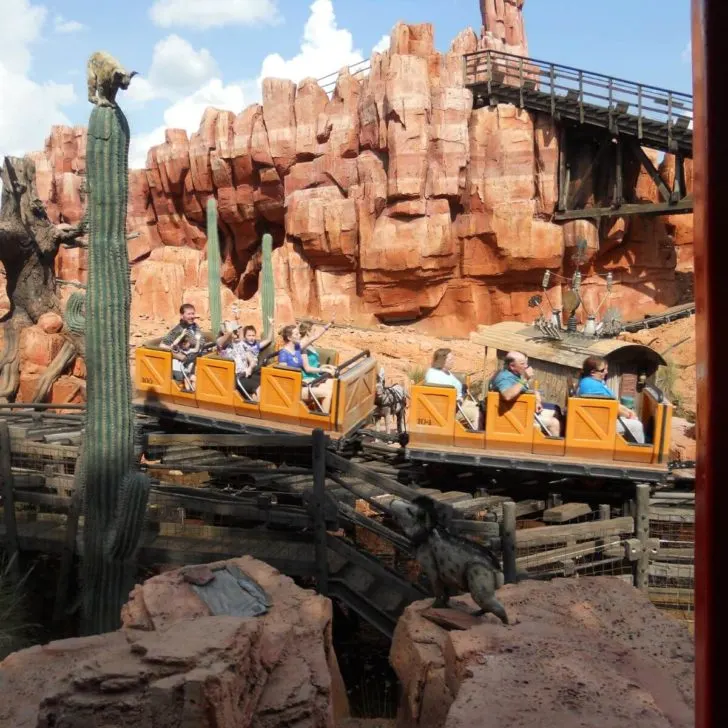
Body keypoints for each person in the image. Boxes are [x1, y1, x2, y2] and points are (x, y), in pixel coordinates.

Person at [490, 351, 561, 437]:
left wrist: (536, 397)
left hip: (522, 412)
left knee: (556, 411)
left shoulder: (515, 374)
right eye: (522, 363)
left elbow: (520, 391)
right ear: (512, 366)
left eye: (526, 363)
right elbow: (507, 395)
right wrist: (525, 379)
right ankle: (552, 449)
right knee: (554, 423)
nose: (526, 366)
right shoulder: (504, 378)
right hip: (514, 417)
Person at [577, 356, 646, 444]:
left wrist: (628, 411)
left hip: (602, 418)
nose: (606, 372)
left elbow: (613, 402)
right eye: (603, 370)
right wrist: (628, 415)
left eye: (606, 369)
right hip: (599, 424)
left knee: (633, 419)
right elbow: (610, 406)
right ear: (593, 372)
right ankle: (639, 452)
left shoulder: (595, 381)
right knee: (636, 425)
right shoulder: (591, 387)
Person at [278, 322, 336, 412]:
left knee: (330, 387)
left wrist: (327, 326)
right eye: (296, 334)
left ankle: (319, 412)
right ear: (289, 338)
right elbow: (284, 375)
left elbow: (313, 337)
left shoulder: (298, 348)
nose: (299, 335)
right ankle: (324, 421)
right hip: (293, 390)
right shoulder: (283, 354)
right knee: (327, 393)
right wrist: (301, 381)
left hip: (302, 384)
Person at [424, 348, 481, 429]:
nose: (453, 361)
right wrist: (457, 400)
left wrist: (461, 389)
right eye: (450, 359)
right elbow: (438, 397)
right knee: (477, 413)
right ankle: (475, 437)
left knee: (482, 408)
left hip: (460, 403)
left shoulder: (445, 371)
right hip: (452, 409)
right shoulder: (434, 376)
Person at [216, 321, 262, 399]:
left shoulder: (241, 344)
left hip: (245, 374)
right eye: (235, 330)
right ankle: (261, 408)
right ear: (225, 332)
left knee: (264, 381)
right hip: (235, 377)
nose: (237, 332)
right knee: (258, 387)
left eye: (237, 330)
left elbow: (252, 360)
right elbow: (221, 341)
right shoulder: (223, 346)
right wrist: (229, 331)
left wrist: (250, 368)